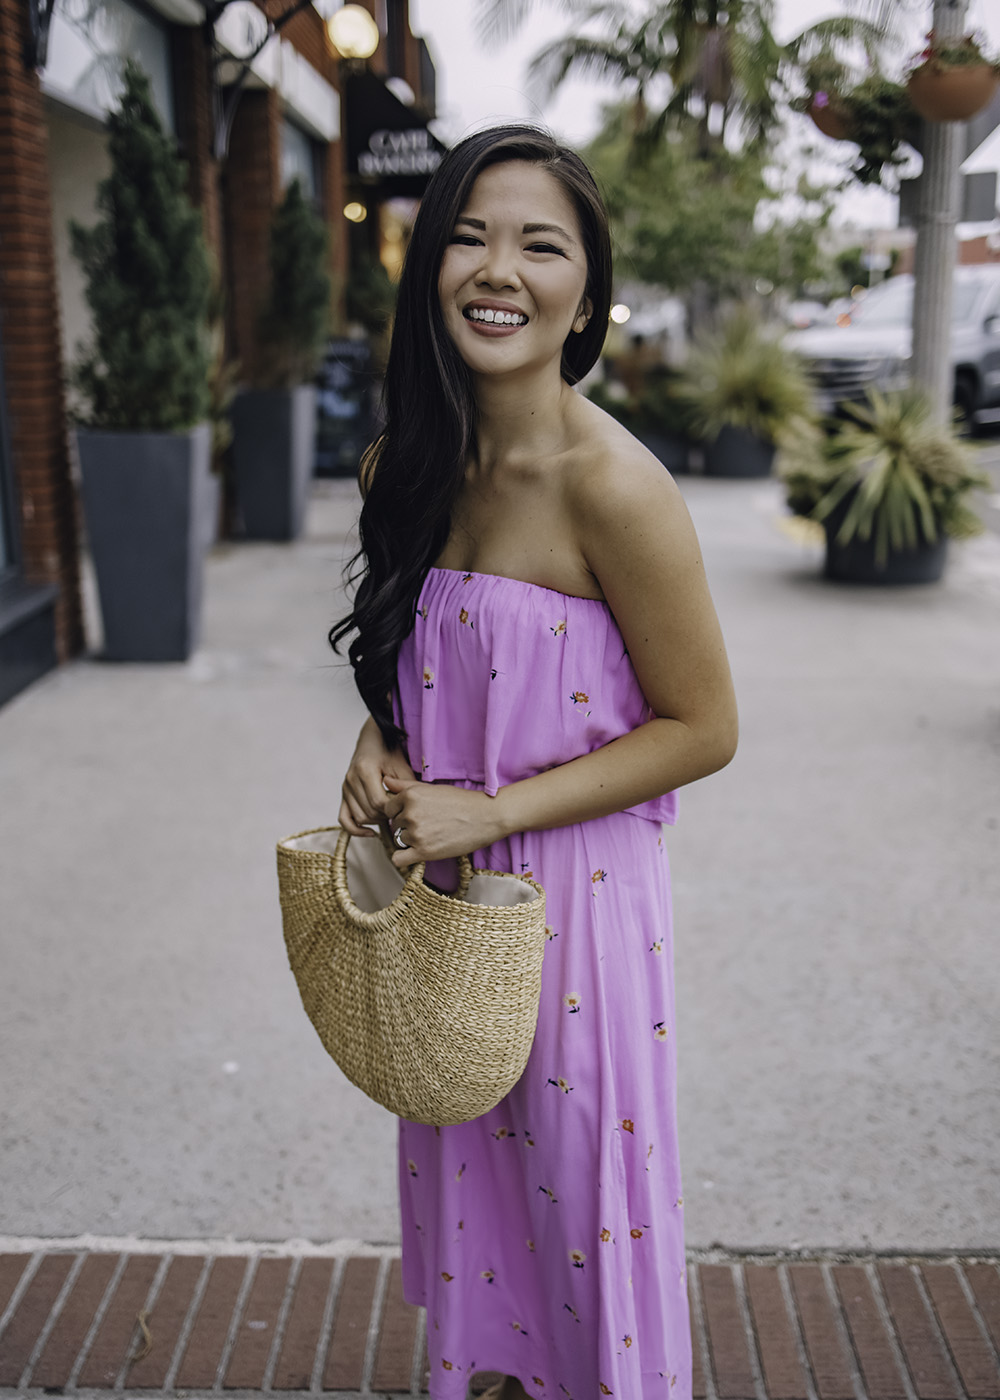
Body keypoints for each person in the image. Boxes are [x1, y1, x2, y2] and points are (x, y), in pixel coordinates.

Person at [332, 126, 738, 1400]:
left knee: (579, 1217)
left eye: (538, 244)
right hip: (447, 907)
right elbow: (416, 649)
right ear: (427, 264)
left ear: (585, 291)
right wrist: (379, 739)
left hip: (581, 918)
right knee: (481, 1214)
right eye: (468, 234)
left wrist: (491, 807)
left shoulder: (617, 486)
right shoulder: (403, 461)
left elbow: (703, 726)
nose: (496, 269)